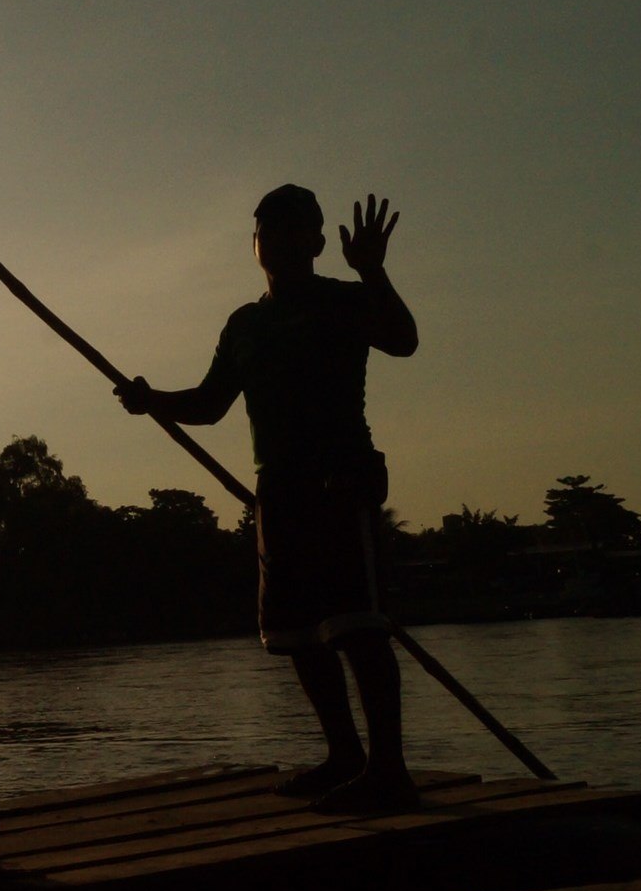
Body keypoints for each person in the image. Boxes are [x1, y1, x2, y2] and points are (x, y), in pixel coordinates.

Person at [117, 185, 420, 813]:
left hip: (341, 482)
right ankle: (345, 755)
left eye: (290, 229)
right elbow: (209, 403)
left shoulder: (344, 300)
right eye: (265, 230)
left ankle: (389, 770)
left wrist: (372, 268)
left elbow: (403, 340)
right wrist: (153, 402)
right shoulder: (244, 325)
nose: (276, 240)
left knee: (358, 629)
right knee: (297, 634)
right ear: (254, 245)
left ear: (314, 241)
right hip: (278, 493)